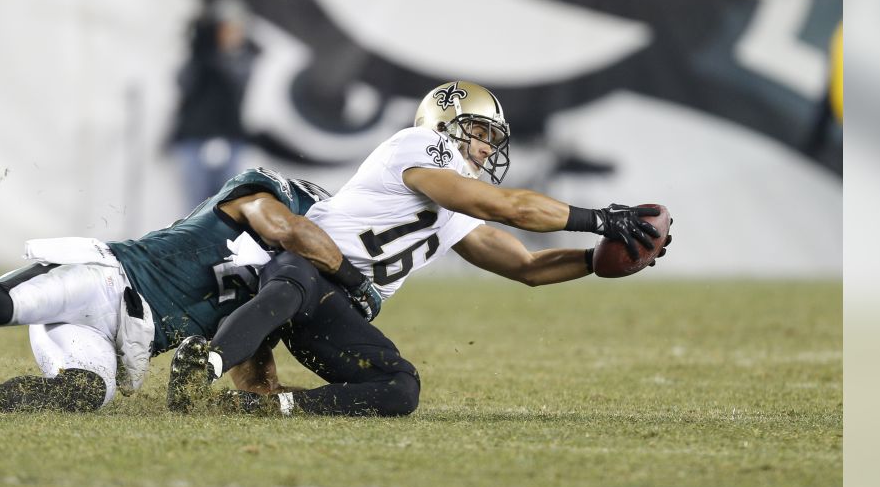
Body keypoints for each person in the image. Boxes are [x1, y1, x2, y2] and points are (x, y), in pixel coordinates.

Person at [167, 81, 673, 417]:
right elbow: (508, 207)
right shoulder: (416, 147)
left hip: (336, 307)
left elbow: (528, 266)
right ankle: (201, 368)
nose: (487, 149)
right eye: (479, 133)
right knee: (294, 285)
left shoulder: (453, 208)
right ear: (445, 126)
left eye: (492, 139)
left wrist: (597, 259)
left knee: (400, 389)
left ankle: (273, 408)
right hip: (308, 264)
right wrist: (600, 219)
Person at [0, 167, 357, 413]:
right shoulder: (255, 201)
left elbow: (248, 362)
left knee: (85, 392)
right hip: (104, 280)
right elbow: (287, 228)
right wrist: (352, 278)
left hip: (117, 340)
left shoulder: (272, 285)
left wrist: (257, 399)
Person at [171, 0, 255, 210]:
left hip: (229, 139)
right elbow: (183, 83)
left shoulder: (244, 59)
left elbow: (235, 79)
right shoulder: (199, 61)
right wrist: (198, 48)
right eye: (227, 29)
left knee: (226, 208)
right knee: (195, 209)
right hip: (193, 139)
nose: (232, 35)